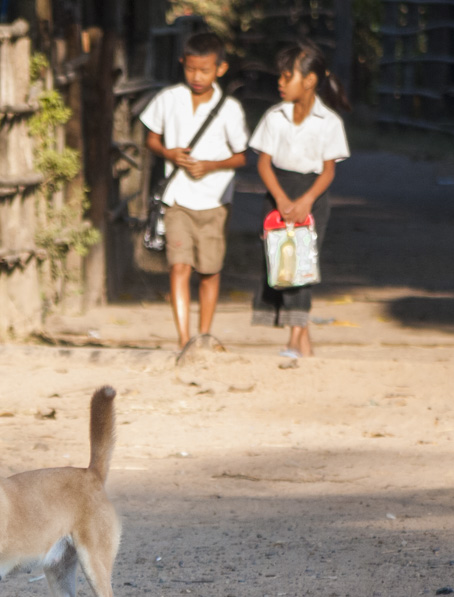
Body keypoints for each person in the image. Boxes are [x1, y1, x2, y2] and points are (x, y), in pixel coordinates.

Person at [140, 31, 249, 351]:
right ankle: (183, 339)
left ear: (221, 69)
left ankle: (204, 335)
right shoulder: (168, 99)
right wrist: (170, 154)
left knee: (210, 270)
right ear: (181, 65)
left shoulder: (229, 109)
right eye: (191, 69)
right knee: (179, 266)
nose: (197, 76)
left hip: (215, 200)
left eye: (204, 70)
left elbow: (242, 155)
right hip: (177, 198)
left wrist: (211, 165)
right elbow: (151, 139)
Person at [250, 42, 351, 357]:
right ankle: (303, 342)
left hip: (313, 197)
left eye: (286, 76)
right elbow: (264, 163)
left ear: (309, 81)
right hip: (278, 193)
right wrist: (280, 198)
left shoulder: (329, 122)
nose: (280, 82)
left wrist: (306, 201)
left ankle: (293, 340)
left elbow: (328, 171)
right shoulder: (273, 117)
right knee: (280, 264)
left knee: (299, 265)